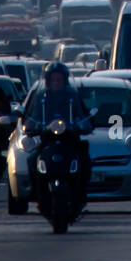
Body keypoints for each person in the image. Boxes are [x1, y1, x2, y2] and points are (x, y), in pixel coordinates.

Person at [25, 62, 92, 202]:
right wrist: (32, 124)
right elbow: (34, 115)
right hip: (48, 139)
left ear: (65, 81)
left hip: (69, 139)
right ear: (48, 81)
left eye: (59, 80)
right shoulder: (41, 97)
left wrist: (82, 124)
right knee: (32, 159)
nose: (56, 83)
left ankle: (81, 192)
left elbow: (81, 114)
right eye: (53, 79)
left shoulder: (72, 97)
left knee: (84, 159)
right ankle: (37, 193)